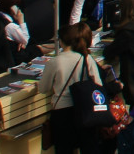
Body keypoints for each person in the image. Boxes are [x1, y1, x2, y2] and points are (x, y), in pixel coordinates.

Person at [39, 23, 102, 154]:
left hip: (62, 113)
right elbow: (98, 85)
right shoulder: (86, 58)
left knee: (64, 149)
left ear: (61, 41)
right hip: (85, 110)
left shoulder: (54, 62)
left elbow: (43, 88)